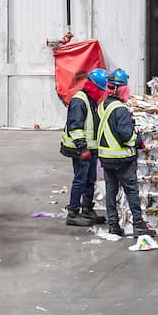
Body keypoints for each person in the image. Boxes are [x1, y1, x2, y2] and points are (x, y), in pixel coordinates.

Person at [97, 76, 154, 238]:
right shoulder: (120, 109)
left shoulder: (103, 106)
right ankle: (138, 224)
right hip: (122, 159)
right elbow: (126, 135)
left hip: (106, 158)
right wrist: (138, 141)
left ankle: (113, 225)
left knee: (111, 191)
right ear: (120, 89)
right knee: (131, 191)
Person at [61, 68, 108, 227]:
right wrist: (83, 149)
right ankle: (73, 212)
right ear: (93, 86)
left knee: (90, 180)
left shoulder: (91, 100)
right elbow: (75, 128)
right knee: (80, 180)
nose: (102, 93)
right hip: (80, 149)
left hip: (91, 149)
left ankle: (87, 209)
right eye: (101, 89)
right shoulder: (79, 101)